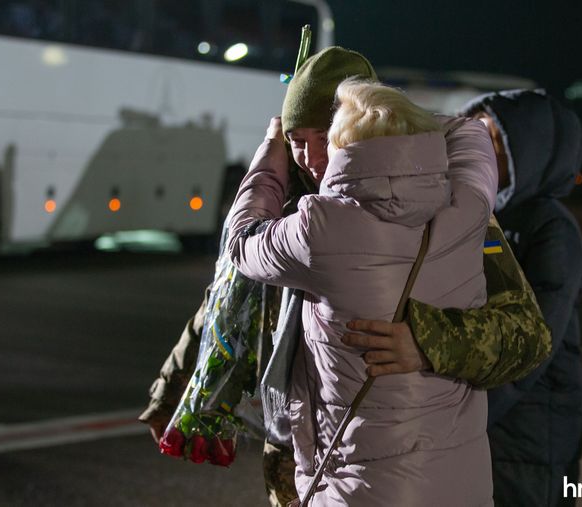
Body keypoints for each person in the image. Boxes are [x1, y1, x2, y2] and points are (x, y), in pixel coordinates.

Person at [140, 47, 551, 507]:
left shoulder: (442, 206)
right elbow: (225, 298)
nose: (312, 157)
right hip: (298, 467)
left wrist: (428, 341)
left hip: (379, 464)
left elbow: (527, 333)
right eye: (295, 139)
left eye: (322, 136)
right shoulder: (288, 198)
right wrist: (173, 385)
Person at [226, 77, 498, 504]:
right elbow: (472, 133)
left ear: (345, 149)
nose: (314, 157)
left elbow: (241, 242)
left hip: (360, 490)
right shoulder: (465, 209)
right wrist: (405, 121)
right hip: (462, 485)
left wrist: (270, 150)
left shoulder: (322, 228)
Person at [353, 89, 582, 506]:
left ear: (527, 155)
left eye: (490, 141)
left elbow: (531, 349)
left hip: (527, 432)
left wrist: (451, 420)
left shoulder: (550, 229)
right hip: (473, 411)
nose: (473, 149)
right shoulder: (466, 210)